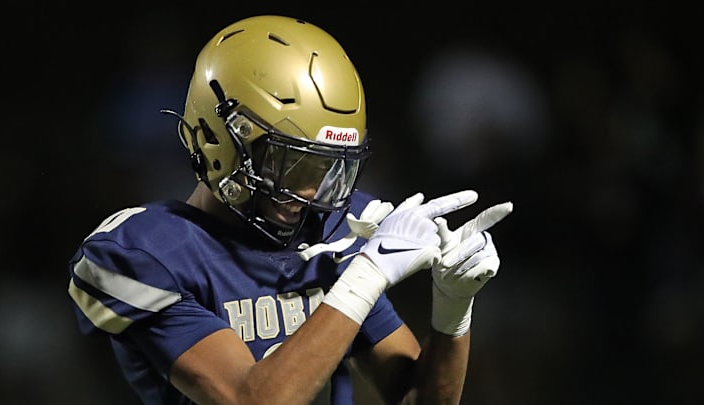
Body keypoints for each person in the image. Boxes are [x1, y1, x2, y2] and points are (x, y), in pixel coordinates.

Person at [67, 15, 512, 405]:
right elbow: (251, 400)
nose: (315, 190)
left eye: (331, 167)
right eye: (294, 164)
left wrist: (453, 308)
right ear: (219, 137)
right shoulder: (138, 254)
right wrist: (366, 277)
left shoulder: (332, 231)